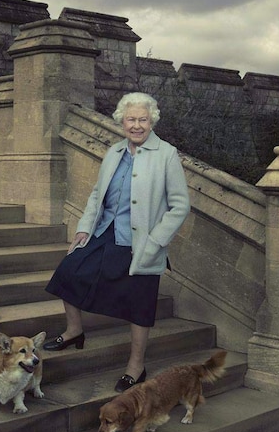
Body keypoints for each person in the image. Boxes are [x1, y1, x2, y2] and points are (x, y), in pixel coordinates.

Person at [43, 92, 191, 392]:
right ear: (122, 121)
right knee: (68, 272)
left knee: (139, 303)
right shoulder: (113, 152)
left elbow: (180, 205)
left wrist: (156, 242)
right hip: (105, 231)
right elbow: (98, 194)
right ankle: (74, 331)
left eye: (142, 120)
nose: (136, 125)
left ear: (152, 122)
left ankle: (136, 366)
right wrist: (84, 228)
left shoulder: (166, 154)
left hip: (141, 242)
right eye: (131, 119)